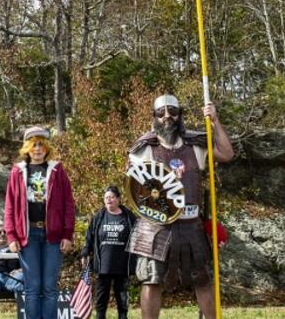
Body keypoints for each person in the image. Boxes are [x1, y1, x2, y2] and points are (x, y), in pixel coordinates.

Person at [127, 94, 234, 319]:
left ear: (180, 115)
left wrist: (215, 121)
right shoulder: (144, 148)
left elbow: (226, 153)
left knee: (203, 280)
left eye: (173, 111)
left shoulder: (195, 145)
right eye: (161, 112)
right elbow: (136, 189)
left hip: (190, 223)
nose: (168, 116)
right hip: (156, 226)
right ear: (154, 116)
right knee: (151, 279)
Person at [4, 126, 75, 319]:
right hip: (28, 235)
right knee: (32, 288)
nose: (37, 149)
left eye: (41, 145)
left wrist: (67, 234)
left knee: (50, 287)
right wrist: (11, 235)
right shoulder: (17, 172)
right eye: (34, 145)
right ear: (27, 147)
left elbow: (68, 203)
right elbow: (10, 206)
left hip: (52, 236)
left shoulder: (57, 170)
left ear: (46, 147)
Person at [81, 186, 136, 319]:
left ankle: (123, 316)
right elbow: (89, 236)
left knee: (122, 297)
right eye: (106, 197)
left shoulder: (128, 216)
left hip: (122, 265)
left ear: (118, 199)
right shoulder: (99, 216)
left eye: (111, 197)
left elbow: (138, 236)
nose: (108, 199)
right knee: (101, 298)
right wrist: (85, 253)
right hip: (103, 265)